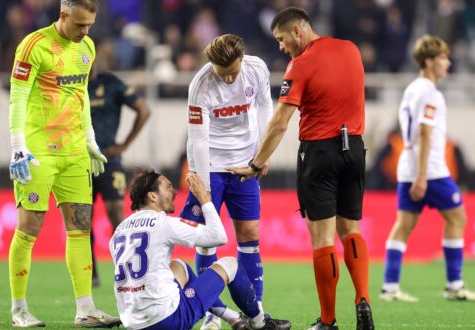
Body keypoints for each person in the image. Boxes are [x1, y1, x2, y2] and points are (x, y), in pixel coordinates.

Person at [227, 7, 374, 330]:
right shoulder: (351, 50)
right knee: (352, 231)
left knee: (322, 240)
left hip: (320, 154)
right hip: (356, 149)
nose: (281, 47)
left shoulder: (301, 64)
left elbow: (280, 122)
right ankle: (363, 300)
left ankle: (328, 320)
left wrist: (256, 163)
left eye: (281, 39)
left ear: (297, 31)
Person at [7, 0, 120, 327]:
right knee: (29, 229)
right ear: (63, 15)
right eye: (80, 24)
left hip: (73, 153)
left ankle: (85, 309)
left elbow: (80, 93)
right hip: (38, 152)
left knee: (81, 228)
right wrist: (17, 146)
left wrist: (89, 138)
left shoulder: (86, 47)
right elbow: (17, 97)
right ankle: (19, 311)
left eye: (89, 26)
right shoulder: (33, 45)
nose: (85, 32)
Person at [110, 169, 291, 330]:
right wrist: (204, 199)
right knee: (230, 264)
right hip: (168, 320)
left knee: (179, 266)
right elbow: (219, 236)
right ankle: (260, 323)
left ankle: (234, 318)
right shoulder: (162, 222)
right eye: (168, 187)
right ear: (152, 196)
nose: (174, 192)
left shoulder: (119, 230)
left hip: (133, 323)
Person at [380, 34, 475, 303]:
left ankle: (390, 288)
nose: (448, 63)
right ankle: (455, 285)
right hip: (430, 171)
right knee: (457, 218)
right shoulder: (430, 93)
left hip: (409, 166)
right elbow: (425, 133)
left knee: (403, 225)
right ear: (429, 61)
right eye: (443, 58)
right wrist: (422, 177)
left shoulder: (412, 89)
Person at [180, 34, 275, 329]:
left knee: (249, 234)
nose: (230, 77)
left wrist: (262, 154)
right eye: (224, 73)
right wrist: (204, 185)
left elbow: (265, 108)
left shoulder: (257, 69)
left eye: (234, 70)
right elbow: (199, 139)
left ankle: (255, 309)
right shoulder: (200, 85)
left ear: (242, 58)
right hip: (210, 164)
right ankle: (212, 312)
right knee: (208, 239)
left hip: (244, 164)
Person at [88, 67, 151, 287]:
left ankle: (128, 268)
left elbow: (143, 109)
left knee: (116, 212)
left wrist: (125, 144)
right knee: (83, 217)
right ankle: (90, 272)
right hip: (79, 160)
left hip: (108, 158)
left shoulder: (112, 83)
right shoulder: (71, 83)